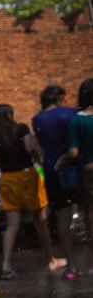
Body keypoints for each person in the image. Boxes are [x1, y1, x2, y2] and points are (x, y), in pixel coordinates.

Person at [0, 104, 65, 279]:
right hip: (27, 176)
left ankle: (6, 264)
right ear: (9, 115)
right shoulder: (21, 128)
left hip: (7, 179)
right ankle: (50, 259)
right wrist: (40, 160)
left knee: (12, 225)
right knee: (40, 220)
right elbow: (30, 149)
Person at [32, 85, 79, 278]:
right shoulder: (70, 114)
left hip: (52, 170)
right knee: (88, 212)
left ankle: (71, 265)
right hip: (74, 165)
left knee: (62, 216)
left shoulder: (38, 119)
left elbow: (42, 145)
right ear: (61, 98)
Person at [65, 78, 93, 259]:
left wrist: (63, 161)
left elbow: (73, 153)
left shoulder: (77, 120)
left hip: (90, 169)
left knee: (90, 213)